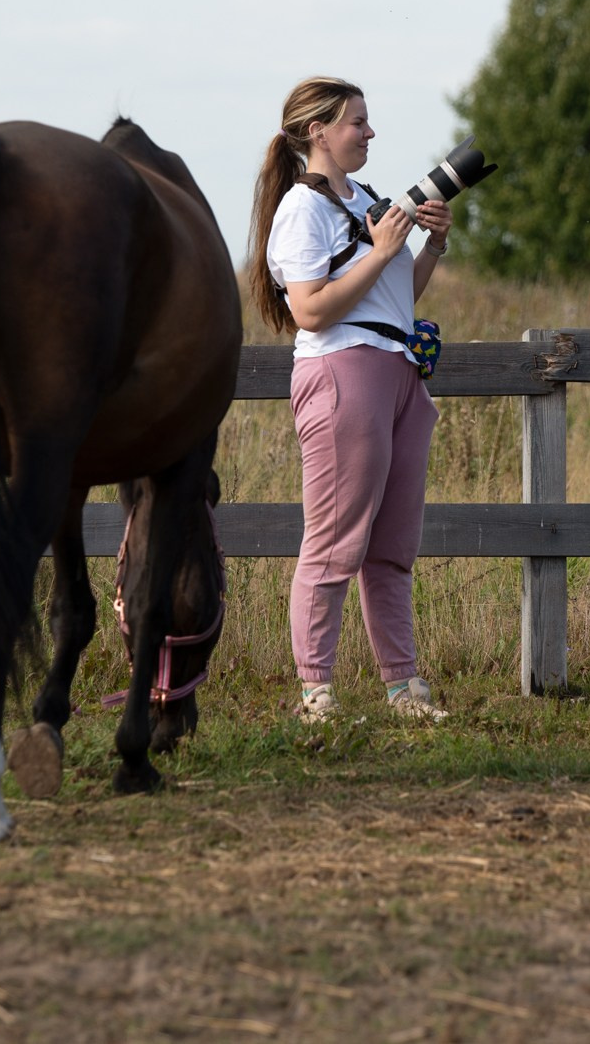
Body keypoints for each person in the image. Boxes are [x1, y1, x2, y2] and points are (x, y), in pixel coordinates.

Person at [248, 76, 452, 723]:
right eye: (357, 122)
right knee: (334, 542)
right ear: (318, 132)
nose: (369, 132)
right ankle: (316, 693)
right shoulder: (300, 210)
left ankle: (403, 687)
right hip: (342, 372)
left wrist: (431, 246)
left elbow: (395, 297)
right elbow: (309, 310)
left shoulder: (364, 198)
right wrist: (385, 247)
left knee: (393, 545)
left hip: (397, 370)